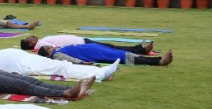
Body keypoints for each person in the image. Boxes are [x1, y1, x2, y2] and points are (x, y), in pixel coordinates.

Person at [0, 49, 119, 82]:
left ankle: (99, 71)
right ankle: (100, 74)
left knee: (61, 65)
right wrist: (13, 76)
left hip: (27, 60)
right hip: (26, 65)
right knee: (61, 67)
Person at [38, 43, 172, 67]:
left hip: (93, 49)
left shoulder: (58, 50)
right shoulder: (56, 55)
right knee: (124, 57)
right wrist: (83, 63)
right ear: (48, 53)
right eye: (49, 47)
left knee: (123, 53)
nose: (52, 46)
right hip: (93, 54)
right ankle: (159, 61)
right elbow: (70, 59)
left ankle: (156, 59)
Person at [21, 34, 152, 55]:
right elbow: (56, 48)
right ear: (31, 43)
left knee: (110, 47)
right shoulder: (41, 44)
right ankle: (139, 50)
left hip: (82, 41)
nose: (33, 36)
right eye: (31, 37)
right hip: (82, 44)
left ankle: (137, 49)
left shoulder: (41, 41)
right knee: (110, 48)